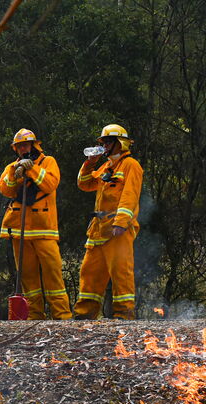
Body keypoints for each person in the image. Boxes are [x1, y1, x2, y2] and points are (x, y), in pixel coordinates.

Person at [0, 128, 72, 320]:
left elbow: (50, 184)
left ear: (34, 145)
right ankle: (35, 315)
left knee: (53, 273)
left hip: (44, 228)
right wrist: (16, 171)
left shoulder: (48, 162)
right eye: (19, 146)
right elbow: (5, 189)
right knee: (28, 277)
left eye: (25, 145)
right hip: (19, 229)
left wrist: (32, 169)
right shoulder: (11, 167)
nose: (23, 149)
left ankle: (62, 315)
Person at [73, 124, 143, 320]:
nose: (103, 145)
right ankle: (84, 314)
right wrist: (90, 163)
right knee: (89, 272)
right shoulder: (106, 166)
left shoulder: (131, 165)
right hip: (98, 229)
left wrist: (121, 222)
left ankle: (124, 314)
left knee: (121, 272)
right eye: (102, 142)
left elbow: (130, 195)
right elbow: (84, 184)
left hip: (117, 229)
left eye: (107, 141)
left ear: (119, 143)